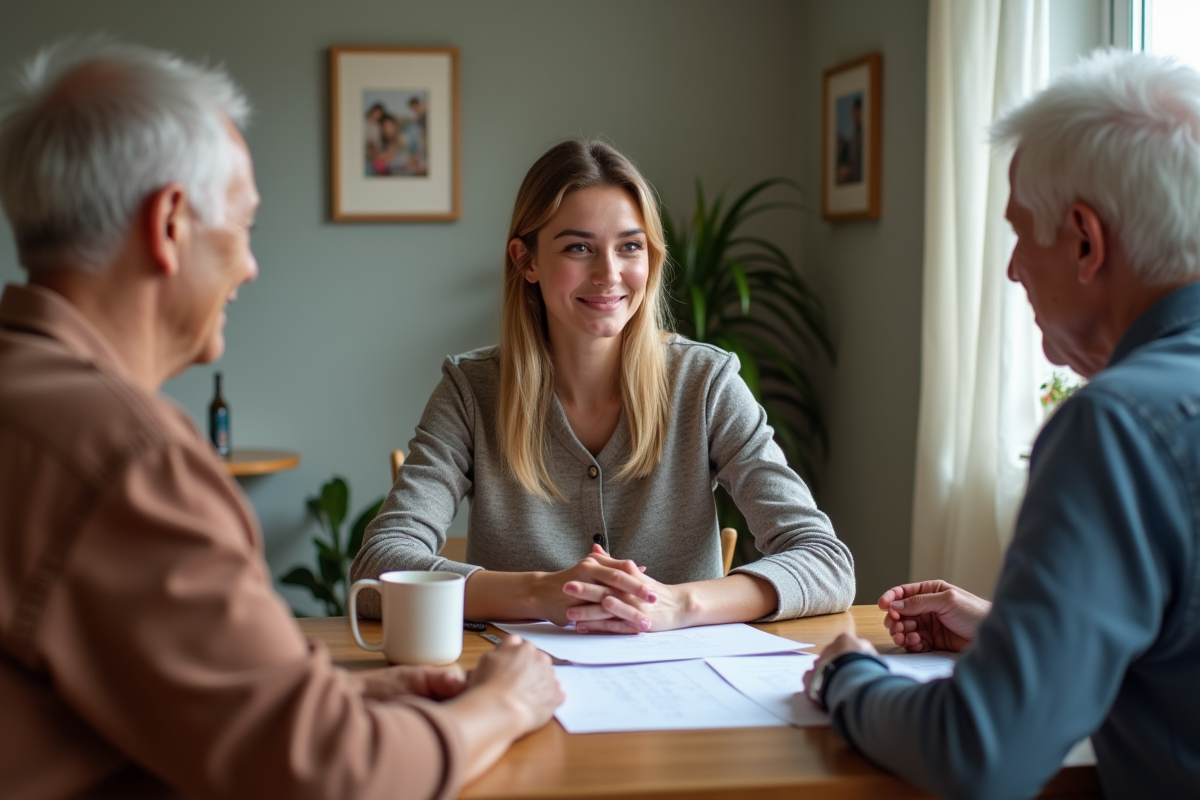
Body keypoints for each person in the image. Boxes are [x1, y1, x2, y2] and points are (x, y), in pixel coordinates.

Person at [0, 37, 561, 799]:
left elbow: (103, 703)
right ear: (170, 224)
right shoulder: (127, 458)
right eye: (244, 227)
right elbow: (337, 776)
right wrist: (505, 704)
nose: (250, 265)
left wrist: (339, 698)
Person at [802, 50, 1200, 800]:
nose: (1014, 269)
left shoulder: (1116, 429)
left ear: (1085, 240)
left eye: (1020, 233)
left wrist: (847, 676)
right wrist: (1008, 633)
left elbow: (980, 752)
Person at [352, 139, 855, 633]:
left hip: (679, 678)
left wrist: (677, 603)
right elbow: (378, 566)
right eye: (578, 248)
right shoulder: (470, 390)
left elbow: (825, 561)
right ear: (526, 261)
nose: (609, 274)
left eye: (630, 247)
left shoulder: (706, 383)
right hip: (517, 676)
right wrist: (539, 593)